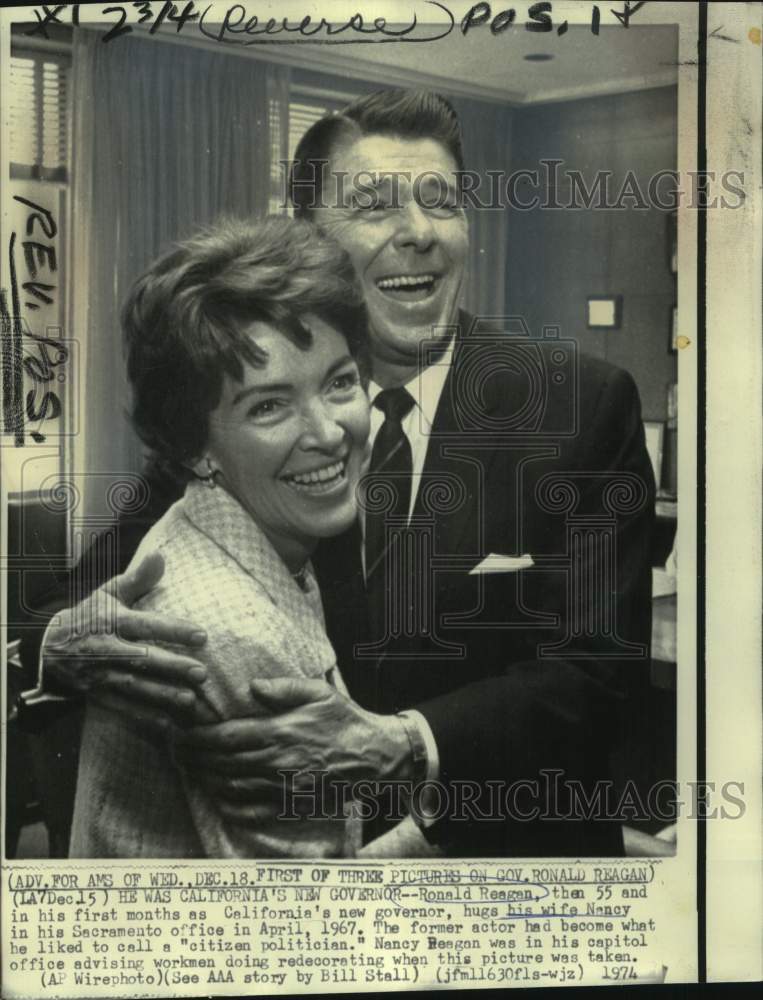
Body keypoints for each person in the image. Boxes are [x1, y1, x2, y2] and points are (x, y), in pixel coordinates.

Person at [25, 90, 654, 857]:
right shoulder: (234, 418)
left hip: (511, 864)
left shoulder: (582, 403)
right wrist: (58, 644)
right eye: (374, 206)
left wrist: (407, 744)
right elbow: (77, 602)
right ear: (307, 236)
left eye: (441, 201)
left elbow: (600, 676)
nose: (418, 232)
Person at [68, 215, 381, 857]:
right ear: (194, 446)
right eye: (269, 406)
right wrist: (446, 824)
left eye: (339, 382)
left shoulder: (214, 526)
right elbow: (308, 908)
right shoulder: (238, 634)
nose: (328, 433)